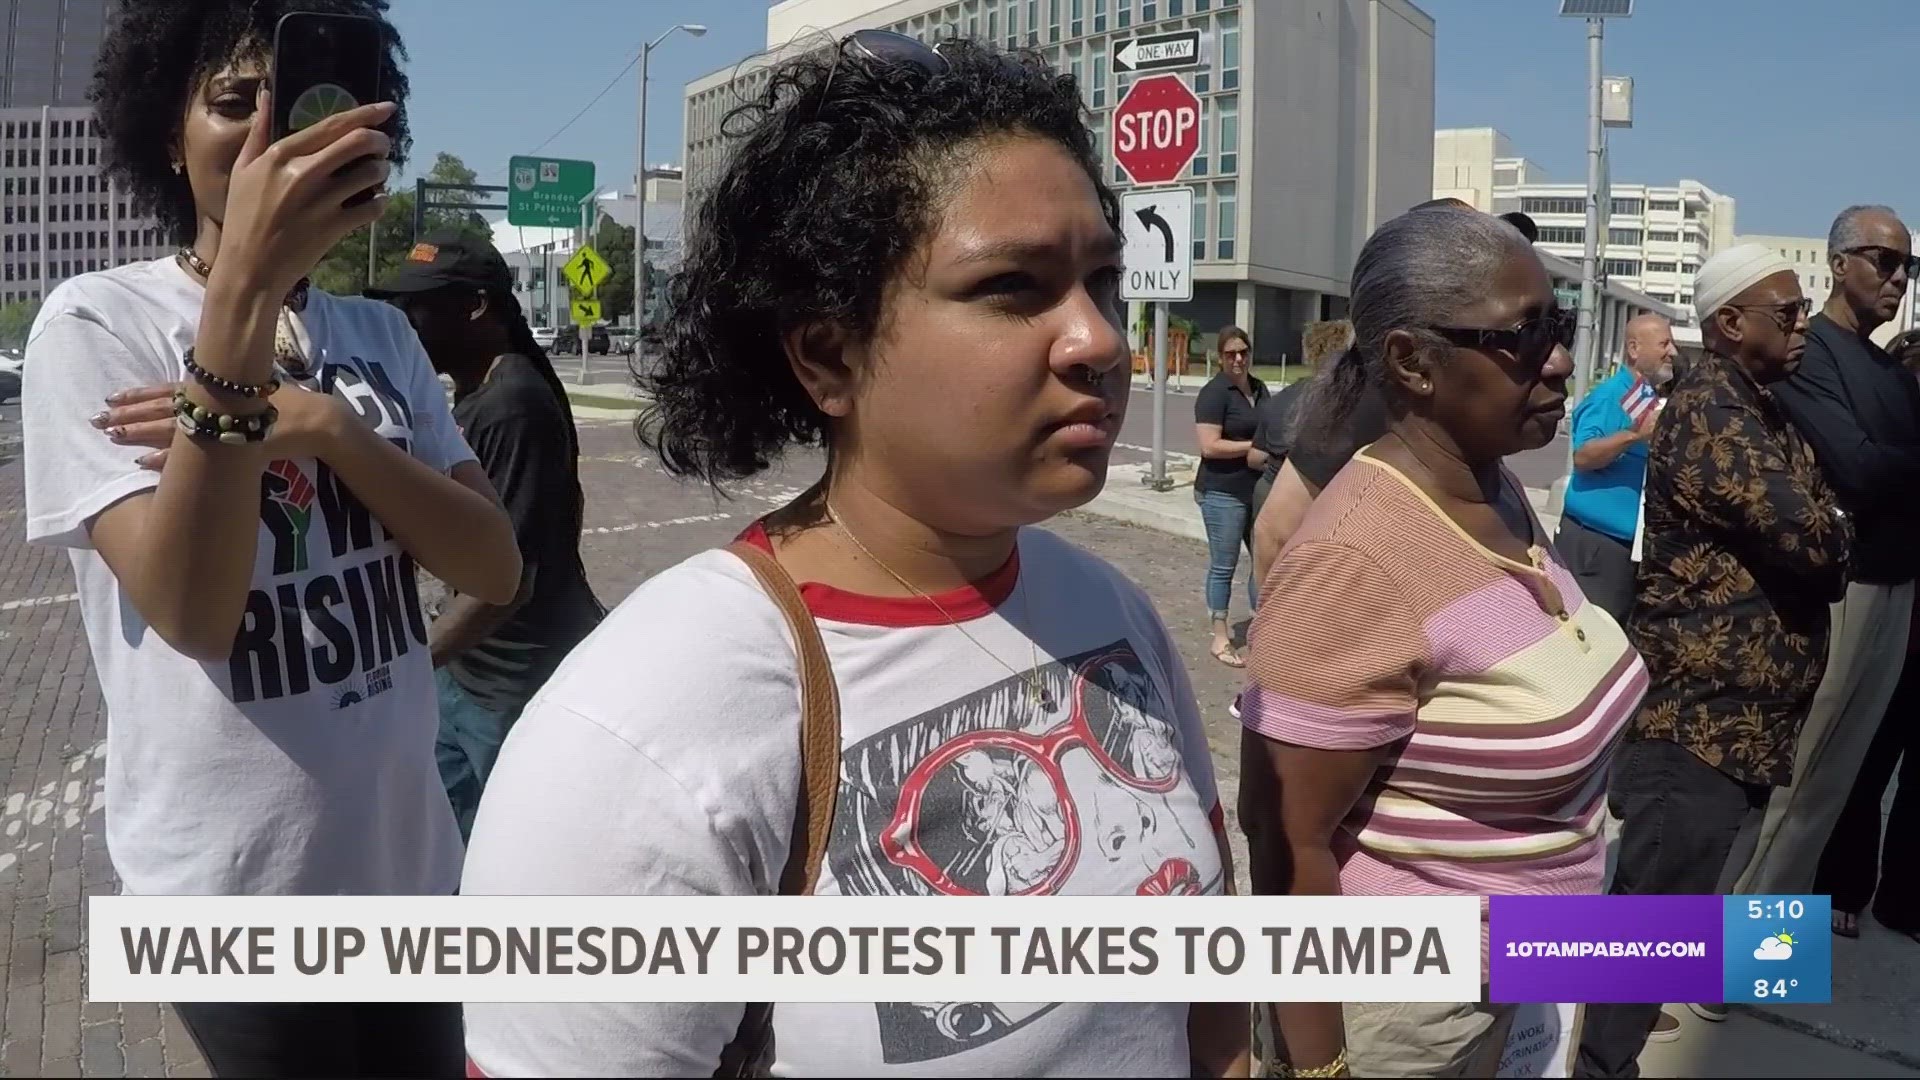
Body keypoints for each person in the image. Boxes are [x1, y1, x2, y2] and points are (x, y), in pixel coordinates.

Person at [459, 31, 1248, 1078]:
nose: (1099, 339)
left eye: (1102, 280)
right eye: (1015, 286)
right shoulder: (648, 724)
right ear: (830, 354)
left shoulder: (1117, 613)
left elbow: (1210, 997)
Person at [19, 1, 522, 1075]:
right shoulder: (95, 326)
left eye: (292, 108)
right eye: (229, 104)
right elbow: (195, 612)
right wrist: (241, 296)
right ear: (167, 134)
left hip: (410, 874)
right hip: (231, 899)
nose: (263, 139)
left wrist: (328, 428)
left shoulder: (379, 333)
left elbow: (493, 563)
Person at [1238, 208, 1645, 1078]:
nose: (1561, 359)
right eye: (1522, 336)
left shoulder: (1491, 488)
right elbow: (1283, 841)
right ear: (1412, 362)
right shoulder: (1354, 561)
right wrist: (1317, 1069)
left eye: (1559, 324)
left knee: (1758, 949)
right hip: (1410, 1019)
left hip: (1523, 975)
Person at [1573, 245, 1850, 1078]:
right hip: (1697, 723)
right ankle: (1590, 1061)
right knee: (1647, 924)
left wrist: (1829, 517)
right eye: (1789, 314)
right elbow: (1821, 541)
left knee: (1667, 924)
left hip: (1739, 725)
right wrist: (1832, 522)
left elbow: (1823, 514)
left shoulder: (1759, 407)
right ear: (1730, 324)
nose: (1804, 327)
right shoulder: (1717, 415)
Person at [365, 232, 606, 841]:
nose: (405, 322)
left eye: (417, 306)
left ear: (475, 306)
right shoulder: (482, 392)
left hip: (512, 685)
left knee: (509, 857)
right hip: (469, 672)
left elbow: (509, 583)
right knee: (442, 842)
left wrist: (410, 667)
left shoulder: (511, 404)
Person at [1722, 206, 1920, 902]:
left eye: (1908, 267)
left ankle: (1762, 949)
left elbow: (1882, 466)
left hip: (1897, 588)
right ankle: (1719, 951)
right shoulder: (1810, 353)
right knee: (1796, 779)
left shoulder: (1890, 375)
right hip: (1844, 589)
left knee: (1836, 784)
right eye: (1884, 261)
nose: (1898, 278)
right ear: (1840, 264)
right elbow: (1856, 470)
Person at [1812, 325, 1920, 940]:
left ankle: (1903, 902)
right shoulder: (1720, 407)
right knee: (1849, 771)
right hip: (1873, 625)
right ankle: (1837, 888)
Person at [1556, 313, 1677, 621]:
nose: (1672, 352)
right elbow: (1583, 456)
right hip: (1597, 547)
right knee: (1595, 637)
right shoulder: (1612, 396)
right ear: (1634, 349)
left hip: (1623, 549)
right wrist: (1635, 436)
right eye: (1664, 343)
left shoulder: (1643, 395)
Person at [1193, 326, 1268, 668]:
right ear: (1219, 357)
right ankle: (1220, 637)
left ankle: (1264, 631)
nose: (1238, 359)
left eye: (1243, 352)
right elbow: (1209, 446)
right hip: (1222, 491)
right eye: (1230, 354)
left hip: (1258, 488)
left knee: (1266, 561)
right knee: (1224, 565)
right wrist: (1253, 447)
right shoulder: (1214, 393)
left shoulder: (1259, 388)